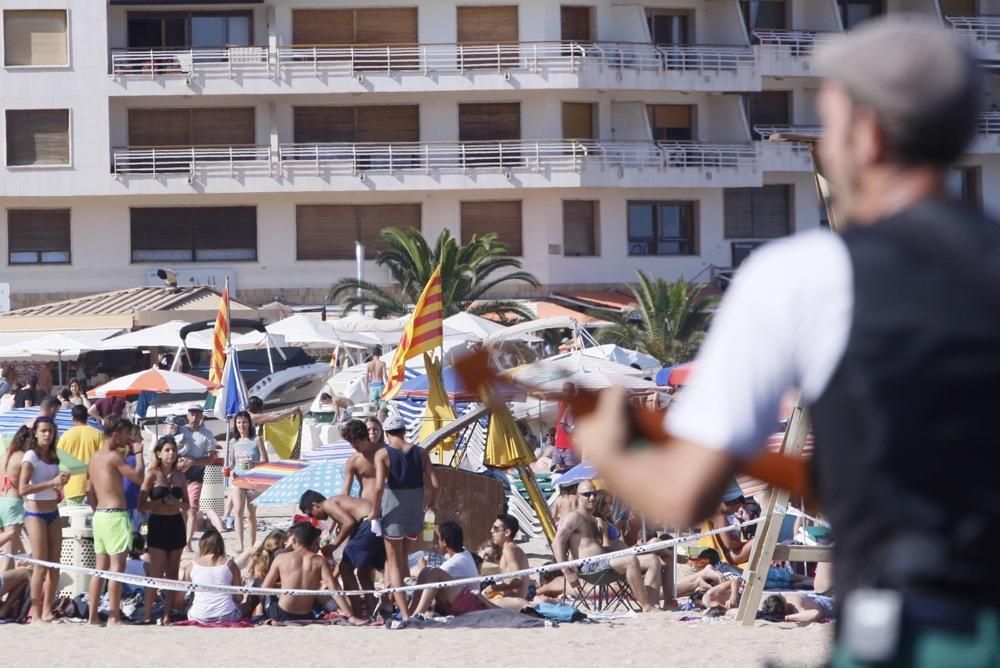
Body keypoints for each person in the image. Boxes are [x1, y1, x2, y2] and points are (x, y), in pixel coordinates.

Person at [575, 17, 1000, 666]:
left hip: (915, 635)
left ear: (870, 133)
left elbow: (683, 494)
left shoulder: (807, 275)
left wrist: (606, 448)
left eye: (829, 127)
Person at [371, 413, 440, 621]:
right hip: (414, 513)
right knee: (402, 560)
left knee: (393, 563)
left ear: (387, 432)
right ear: (404, 431)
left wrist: (374, 511)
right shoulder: (420, 452)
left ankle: (404, 612)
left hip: (393, 512)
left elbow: (378, 487)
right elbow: (436, 484)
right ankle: (405, 604)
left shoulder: (382, 454)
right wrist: (433, 503)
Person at [552, 480, 655, 612]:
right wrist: (567, 572)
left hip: (605, 563)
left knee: (653, 560)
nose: (592, 497)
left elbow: (605, 545)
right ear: (578, 496)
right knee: (630, 560)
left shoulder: (595, 519)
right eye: (587, 494)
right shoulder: (575, 517)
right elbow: (557, 543)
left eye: (594, 493)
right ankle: (647, 607)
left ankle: (656, 604)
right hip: (590, 567)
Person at [86, 416, 144, 625]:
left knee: (99, 569)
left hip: (100, 516)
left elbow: (88, 490)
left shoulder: (95, 458)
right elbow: (138, 477)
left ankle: (92, 616)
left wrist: (97, 510)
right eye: (126, 433)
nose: (129, 438)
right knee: (116, 569)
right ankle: (113, 616)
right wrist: (138, 452)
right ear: (116, 433)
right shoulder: (113, 457)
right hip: (115, 516)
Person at [299, 490, 384, 617]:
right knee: (363, 572)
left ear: (315, 505)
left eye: (310, 513)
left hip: (368, 523)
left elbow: (349, 523)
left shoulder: (328, 504)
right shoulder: (338, 502)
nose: (314, 518)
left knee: (346, 568)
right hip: (377, 522)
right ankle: (373, 610)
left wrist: (334, 545)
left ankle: (357, 613)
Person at [261, 522, 364, 624]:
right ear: (313, 541)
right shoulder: (320, 561)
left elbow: (265, 589)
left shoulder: (281, 558)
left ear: (294, 540)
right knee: (318, 589)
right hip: (306, 614)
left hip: (281, 614)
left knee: (257, 583)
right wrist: (350, 615)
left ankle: (258, 614)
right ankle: (342, 612)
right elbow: (335, 589)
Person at [18, 416, 68, 623]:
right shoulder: (30, 456)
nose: (48, 434)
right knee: (40, 564)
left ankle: (48, 610)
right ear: (36, 433)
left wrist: (59, 485)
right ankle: (35, 612)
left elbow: (53, 488)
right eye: (44, 431)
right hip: (35, 513)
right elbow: (22, 488)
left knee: (55, 564)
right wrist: (52, 482)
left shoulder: (53, 456)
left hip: (53, 512)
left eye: (50, 431)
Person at [140, 435, 189, 624]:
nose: (171, 453)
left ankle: (168, 614)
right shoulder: (152, 474)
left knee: (173, 573)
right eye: (167, 450)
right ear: (159, 453)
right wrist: (158, 502)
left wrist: (175, 502)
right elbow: (141, 505)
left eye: (174, 450)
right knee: (156, 572)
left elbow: (188, 506)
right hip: (158, 522)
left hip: (175, 523)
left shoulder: (180, 476)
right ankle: (147, 614)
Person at [410, 520, 491, 617]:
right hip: (463, 601)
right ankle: (409, 613)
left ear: (444, 542)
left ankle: (417, 614)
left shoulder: (453, 563)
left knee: (433, 572)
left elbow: (431, 579)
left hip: (471, 605)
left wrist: (421, 566)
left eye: (439, 539)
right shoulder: (464, 552)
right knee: (426, 571)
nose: (438, 541)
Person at [176, 403, 222, 550]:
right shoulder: (180, 430)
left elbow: (210, 459)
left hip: (196, 477)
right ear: (187, 415)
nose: (195, 417)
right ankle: (183, 538)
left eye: (197, 414)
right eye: (192, 414)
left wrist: (192, 462)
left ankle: (188, 543)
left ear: (202, 416)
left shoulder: (207, 435)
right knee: (181, 510)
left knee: (192, 510)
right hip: (178, 476)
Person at [225, 411, 268, 553]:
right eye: (238, 422)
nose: (241, 425)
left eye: (244, 422)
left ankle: (252, 544)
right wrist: (227, 468)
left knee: (251, 514)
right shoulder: (233, 442)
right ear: (235, 424)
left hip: (253, 480)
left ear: (249, 423)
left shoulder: (256, 440)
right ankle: (240, 545)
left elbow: (265, 461)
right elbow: (232, 462)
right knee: (238, 511)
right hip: (238, 479)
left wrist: (253, 464)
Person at [185, 529, 243, 624]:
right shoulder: (230, 565)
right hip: (226, 616)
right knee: (246, 606)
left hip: (197, 617)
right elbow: (239, 598)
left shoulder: (191, 566)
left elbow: (179, 600)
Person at [481, 514, 531, 610]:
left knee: (477, 604)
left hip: (513, 602)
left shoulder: (509, 549)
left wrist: (492, 588)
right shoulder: (513, 548)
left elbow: (518, 580)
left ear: (507, 532)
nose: (491, 531)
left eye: (495, 529)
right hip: (513, 600)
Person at [58, 404, 103, 505]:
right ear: (87, 417)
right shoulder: (98, 434)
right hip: (94, 487)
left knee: (75, 519)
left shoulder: (65, 436)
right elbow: (103, 461)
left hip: (72, 487)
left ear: (73, 418)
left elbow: (60, 464)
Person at [0, 426, 30, 566]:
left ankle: (22, 557)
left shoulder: (5, 455)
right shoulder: (23, 457)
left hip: (1, 501)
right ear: (26, 440)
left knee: (8, 549)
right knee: (9, 552)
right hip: (13, 503)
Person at [340, 419, 380, 506]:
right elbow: (345, 492)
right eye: (351, 443)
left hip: (389, 504)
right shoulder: (353, 461)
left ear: (366, 437)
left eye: (357, 442)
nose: (354, 446)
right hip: (366, 506)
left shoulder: (384, 452)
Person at [551, 382, 580, 473]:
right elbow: (557, 422)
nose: (566, 393)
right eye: (564, 390)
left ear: (574, 391)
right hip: (558, 444)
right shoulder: (561, 403)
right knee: (558, 471)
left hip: (570, 447)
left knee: (571, 472)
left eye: (569, 390)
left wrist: (571, 433)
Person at [761, 592, 835, 624]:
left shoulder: (795, 604)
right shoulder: (787, 598)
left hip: (826, 606)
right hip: (818, 599)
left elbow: (815, 614)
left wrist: (787, 617)